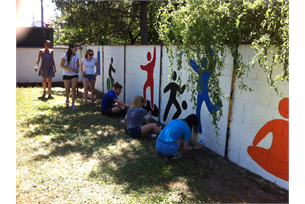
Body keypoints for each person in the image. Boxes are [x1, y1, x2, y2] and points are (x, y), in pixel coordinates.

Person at [60, 44, 80, 109]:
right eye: (75, 49)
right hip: (66, 74)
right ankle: (67, 96)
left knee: (74, 88)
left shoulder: (76, 56)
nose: (76, 50)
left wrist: (77, 69)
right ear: (71, 48)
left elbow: (77, 64)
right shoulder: (65, 55)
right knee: (67, 89)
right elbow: (61, 65)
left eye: (76, 49)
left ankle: (73, 103)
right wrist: (69, 68)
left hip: (74, 74)